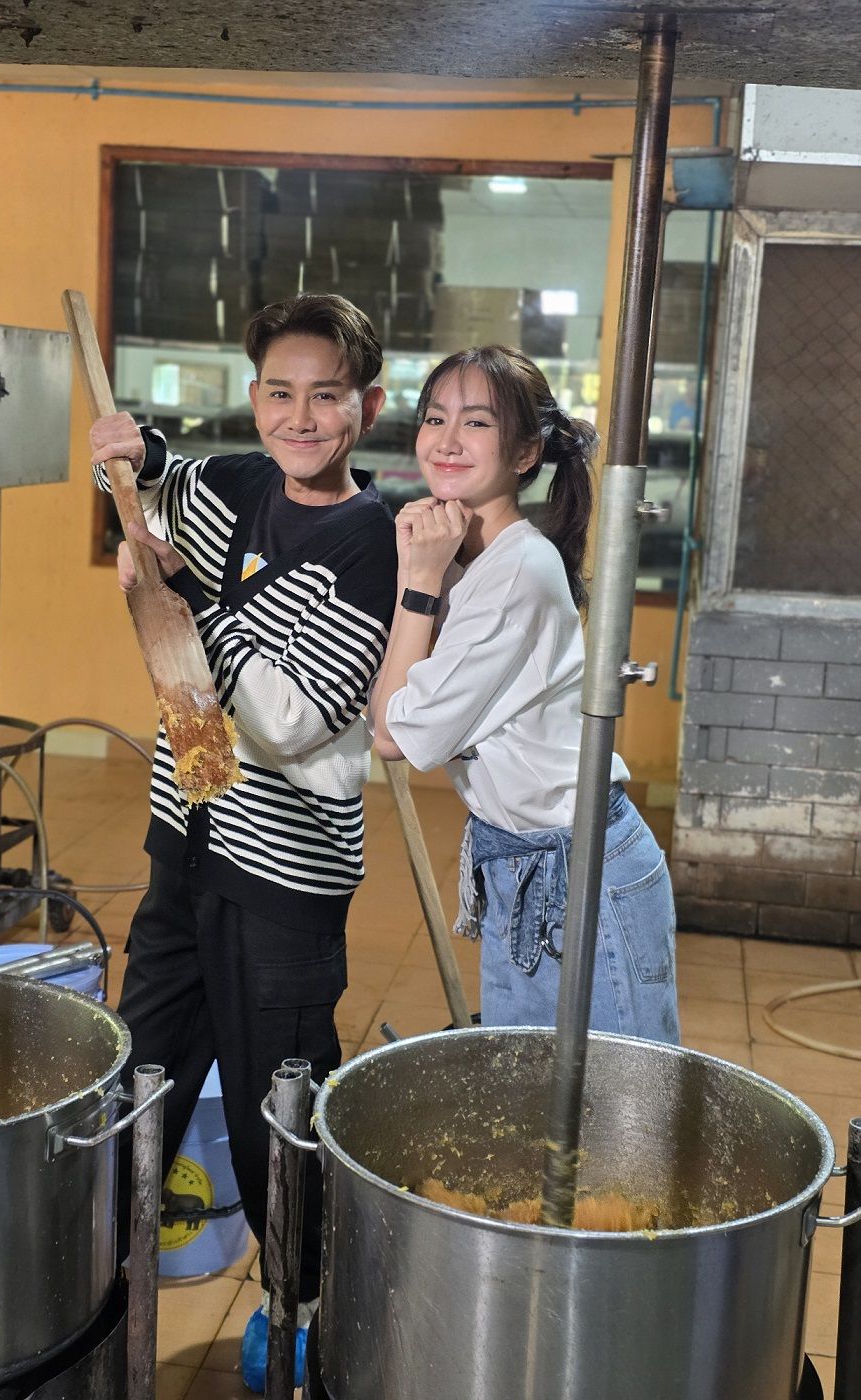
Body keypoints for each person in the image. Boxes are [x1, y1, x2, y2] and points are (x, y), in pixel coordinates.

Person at [90, 294, 397, 1390]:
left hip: (284, 882)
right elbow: (155, 487)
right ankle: (94, 1300)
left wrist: (185, 598)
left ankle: (303, 1316)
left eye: (326, 396)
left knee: (282, 1126)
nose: (299, 417)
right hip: (186, 845)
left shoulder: (372, 544)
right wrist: (131, 453)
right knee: (136, 1089)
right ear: (256, 396)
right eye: (279, 392)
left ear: (367, 408)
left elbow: (289, 718)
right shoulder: (237, 483)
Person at [369, 345, 679, 1043]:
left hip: (580, 872)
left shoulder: (517, 572)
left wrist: (418, 582)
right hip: (522, 861)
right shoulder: (463, 554)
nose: (446, 441)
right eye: (435, 418)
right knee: (532, 1090)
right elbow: (389, 709)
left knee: (617, 1096)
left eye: (476, 423)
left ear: (525, 452)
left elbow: (392, 737)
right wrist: (422, 572)